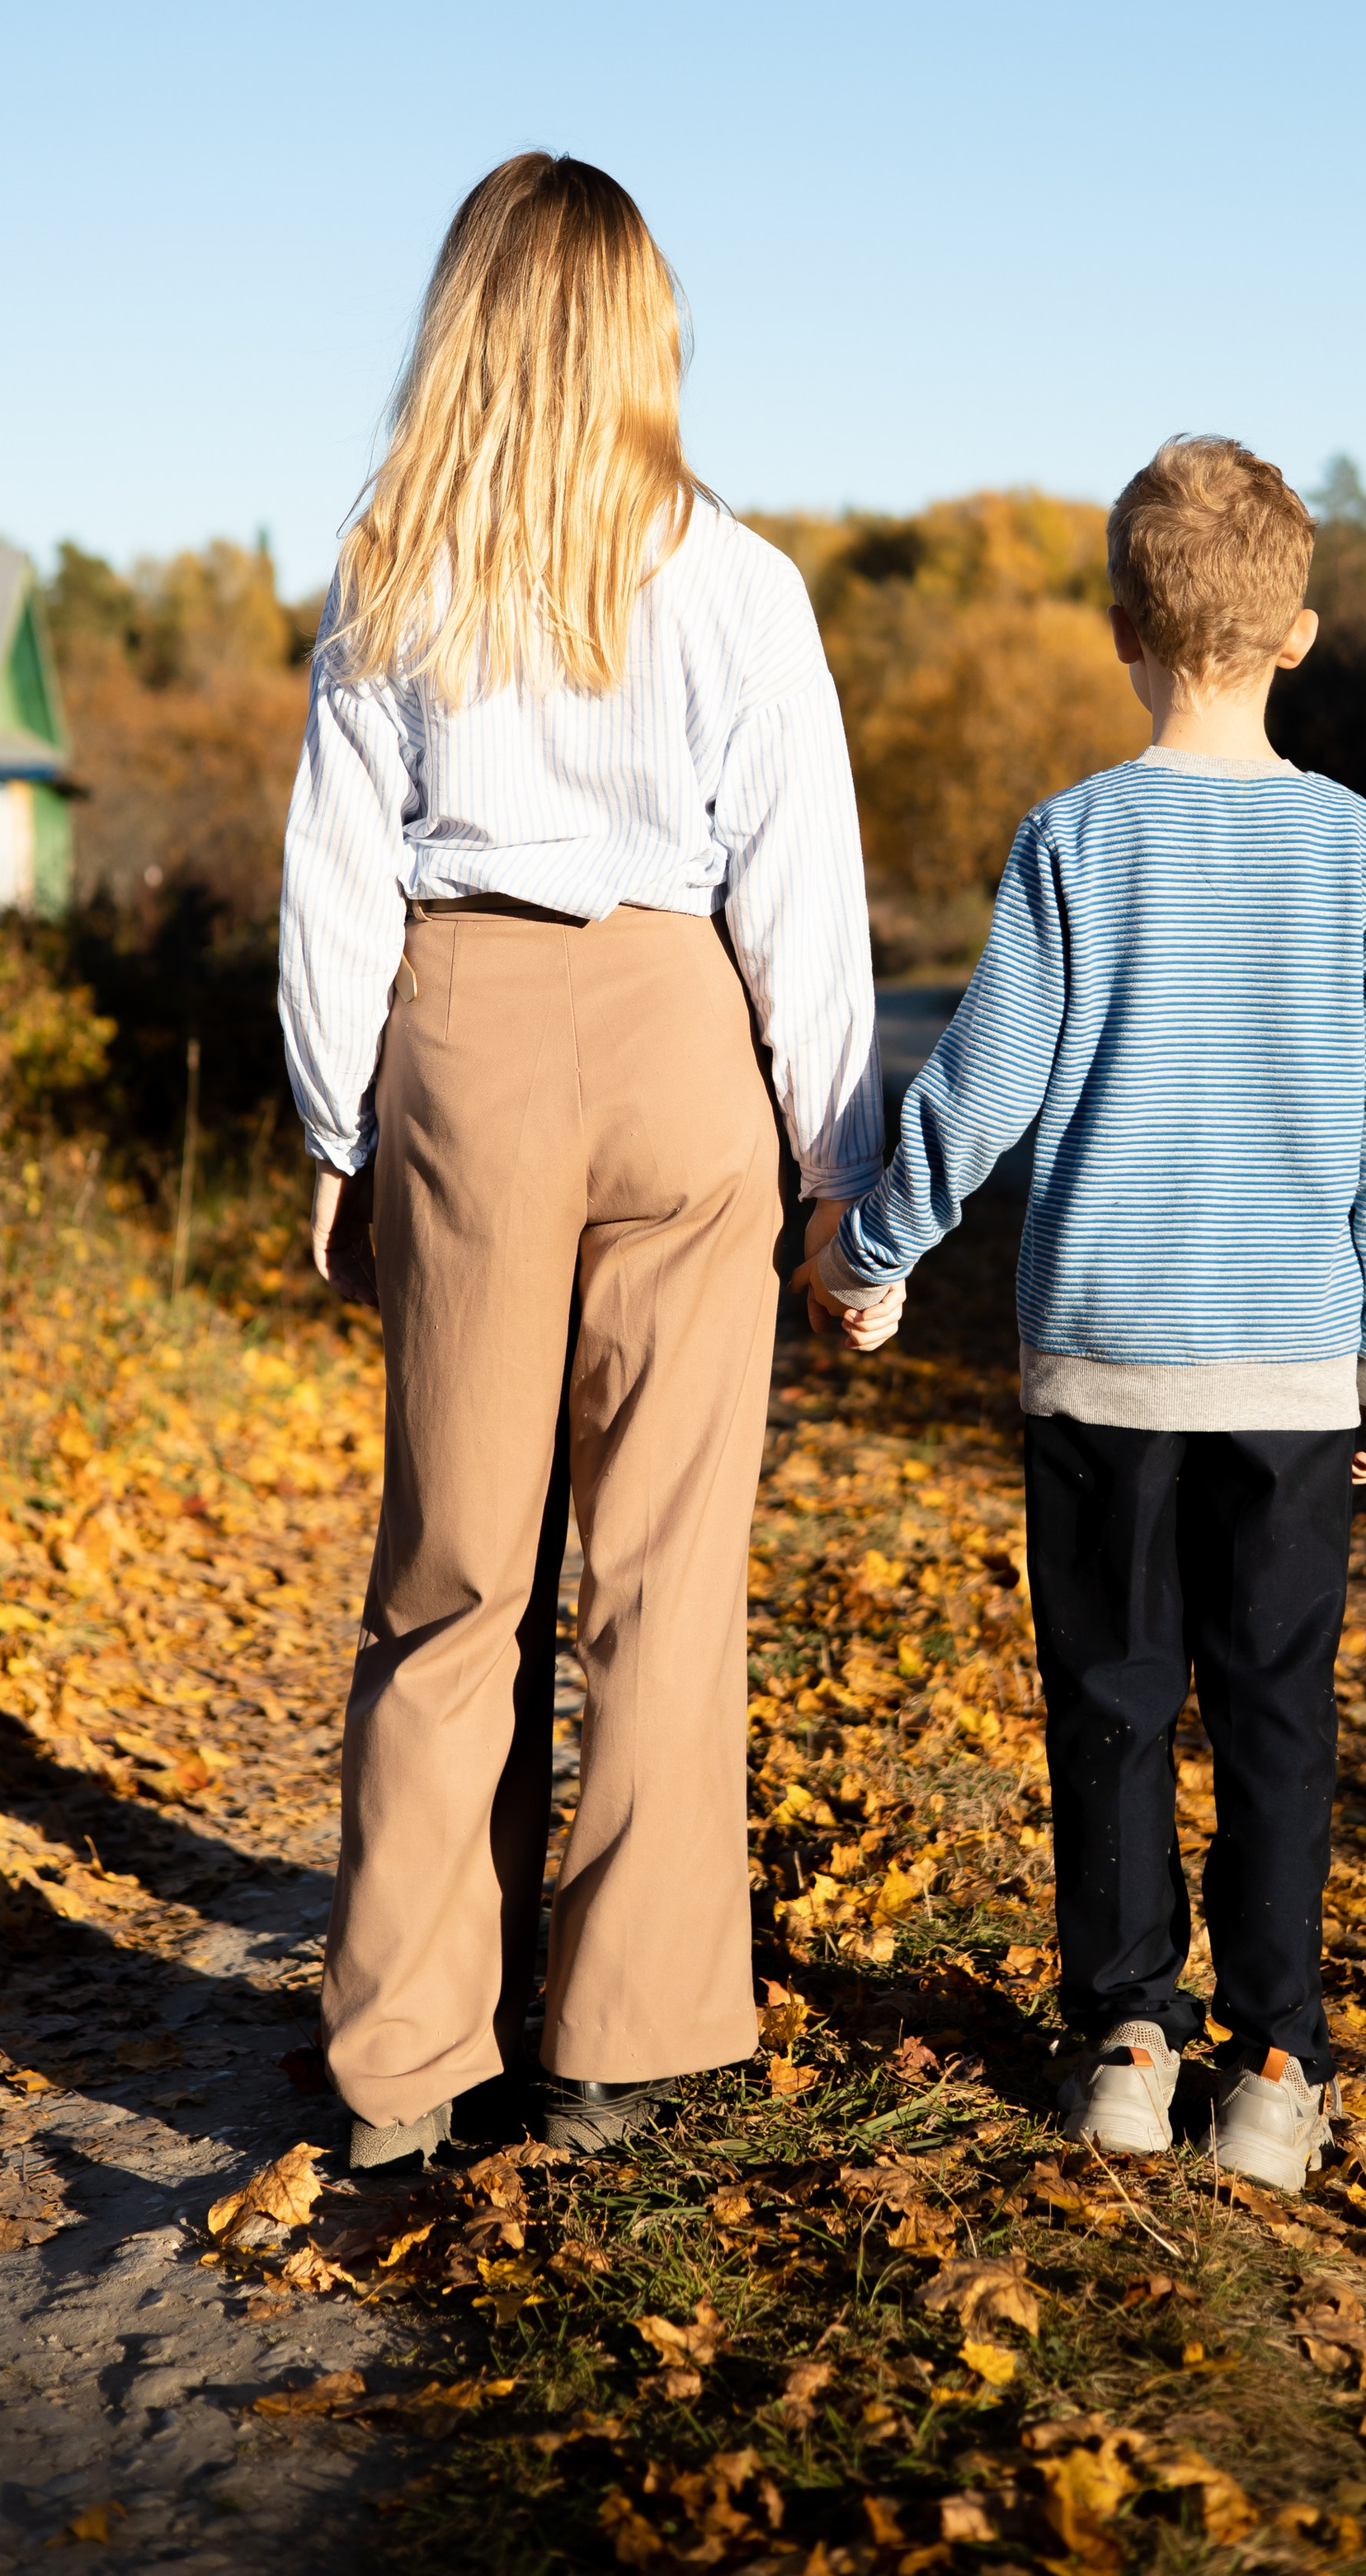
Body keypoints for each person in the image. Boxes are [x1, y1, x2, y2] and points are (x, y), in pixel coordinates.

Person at [278, 152, 899, 2172]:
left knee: (454, 1569)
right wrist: (834, 1163)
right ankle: (615, 2044)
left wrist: (335, 1126)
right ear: (648, 332)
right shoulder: (739, 582)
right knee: (662, 1566)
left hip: (461, 1029)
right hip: (681, 1031)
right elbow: (802, 893)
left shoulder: (392, 570)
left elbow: (334, 880)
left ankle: (406, 2059)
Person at [810, 436, 1366, 2192]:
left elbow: (984, 1081)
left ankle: (1125, 2042)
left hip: (1106, 1357)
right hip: (1288, 1367)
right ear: (1298, 635)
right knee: (1274, 1712)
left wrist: (876, 1252)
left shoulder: (1075, 840)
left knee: (1108, 1698)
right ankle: (1273, 2065)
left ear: (1119, 631)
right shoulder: (1356, 851)